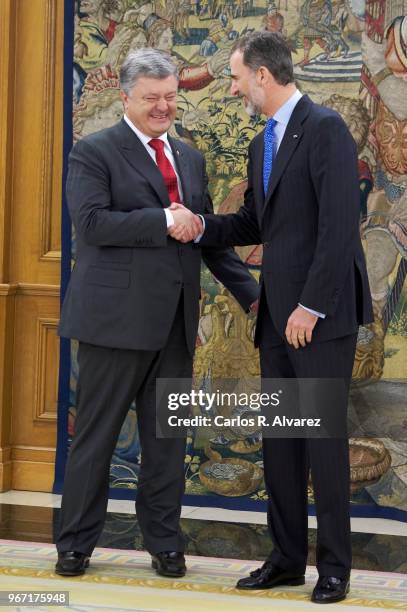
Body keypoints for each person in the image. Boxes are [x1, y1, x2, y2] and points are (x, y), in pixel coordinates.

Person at [172, 32, 373, 604]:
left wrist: (311, 307)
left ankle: (334, 568)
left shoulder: (327, 128)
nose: (232, 88)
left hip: (319, 316)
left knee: (323, 442)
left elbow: (339, 229)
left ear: (262, 75)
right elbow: (254, 226)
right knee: (281, 442)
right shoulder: (263, 141)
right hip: (277, 316)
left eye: (236, 78)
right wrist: (201, 225)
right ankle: (286, 559)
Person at [56, 48, 258, 579]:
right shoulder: (93, 152)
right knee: (96, 440)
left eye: (170, 96)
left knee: (168, 442)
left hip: (175, 325)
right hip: (113, 324)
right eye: (151, 98)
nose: (163, 106)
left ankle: (165, 543)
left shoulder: (189, 157)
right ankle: (75, 544)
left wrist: (252, 294)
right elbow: (93, 225)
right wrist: (162, 218)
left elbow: (206, 236)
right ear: (125, 97)